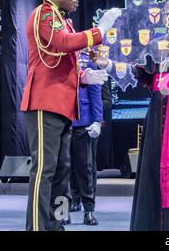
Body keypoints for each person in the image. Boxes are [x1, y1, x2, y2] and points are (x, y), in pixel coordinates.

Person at [93, 0, 169, 231]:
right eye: (166, 7)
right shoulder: (156, 43)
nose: (168, 10)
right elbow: (140, 74)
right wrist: (107, 63)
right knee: (153, 174)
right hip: (157, 115)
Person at [20, 0, 121, 231]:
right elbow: (63, 44)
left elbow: (63, 59)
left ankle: (56, 224)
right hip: (44, 102)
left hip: (63, 106)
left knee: (62, 173)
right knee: (44, 171)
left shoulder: (63, 20)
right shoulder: (44, 13)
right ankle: (36, 228)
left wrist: (84, 76)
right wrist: (99, 31)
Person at [68, 50, 103, 226]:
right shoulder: (57, 59)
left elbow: (95, 92)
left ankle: (89, 210)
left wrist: (98, 120)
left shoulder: (87, 61)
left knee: (85, 168)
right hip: (64, 121)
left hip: (83, 121)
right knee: (64, 169)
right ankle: (65, 209)